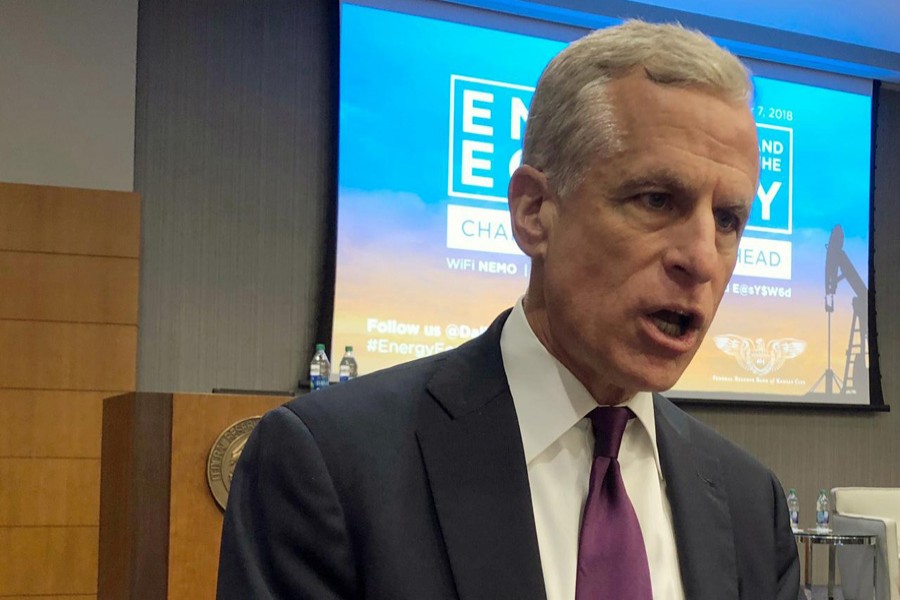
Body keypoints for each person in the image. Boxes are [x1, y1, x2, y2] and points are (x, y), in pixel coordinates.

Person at [217, 19, 800, 600]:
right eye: (656, 200)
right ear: (534, 211)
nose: (701, 258)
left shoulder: (752, 504)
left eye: (728, 220)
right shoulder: (329, 465)